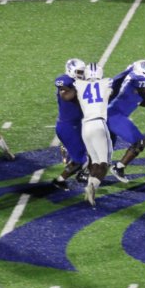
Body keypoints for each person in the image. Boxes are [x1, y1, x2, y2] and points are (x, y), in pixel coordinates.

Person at [73, 63, 114, 206]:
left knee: (95, 161)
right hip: (98, 124)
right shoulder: (107, 82)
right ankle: (92, 186)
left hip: (85, 126)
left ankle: (89, 189)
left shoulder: (78, 84)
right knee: (104, 162)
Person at [52, 58, 89, 190]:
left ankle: (81, 172)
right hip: (68, 127)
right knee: (80, 160)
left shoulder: (79, 82)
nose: (81, 74)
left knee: (90, 151)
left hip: (77, 124)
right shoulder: (65, 81)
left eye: (82, 72)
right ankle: (59, 180)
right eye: (78, 72)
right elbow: (64, 92)